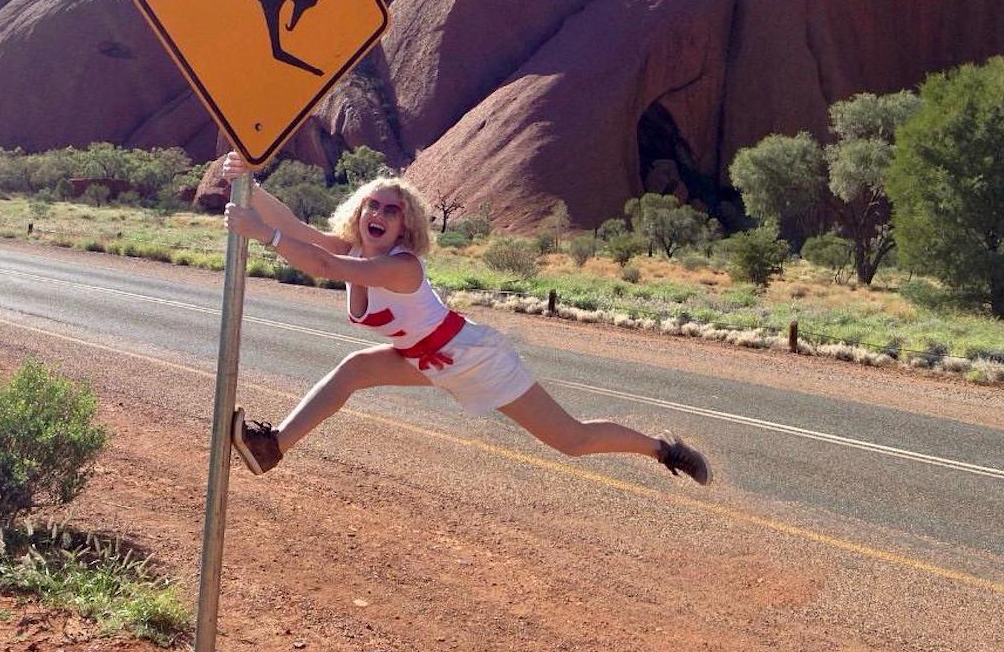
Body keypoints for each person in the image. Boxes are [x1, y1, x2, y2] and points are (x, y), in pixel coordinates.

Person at [220, 152, 710, 485]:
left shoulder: (398, 265)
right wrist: (250, 186)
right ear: (358, 210)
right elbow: (297, 229)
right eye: (373, 204)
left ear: (403, 226)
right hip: (423, 357)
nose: (381, 213)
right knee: (353, 370)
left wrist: (261, 235)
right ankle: (272, 448)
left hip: (471, 357)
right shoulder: (353, 246)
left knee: (573, 440)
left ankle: (663, 450)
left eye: (393, 210)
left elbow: (322, 264)